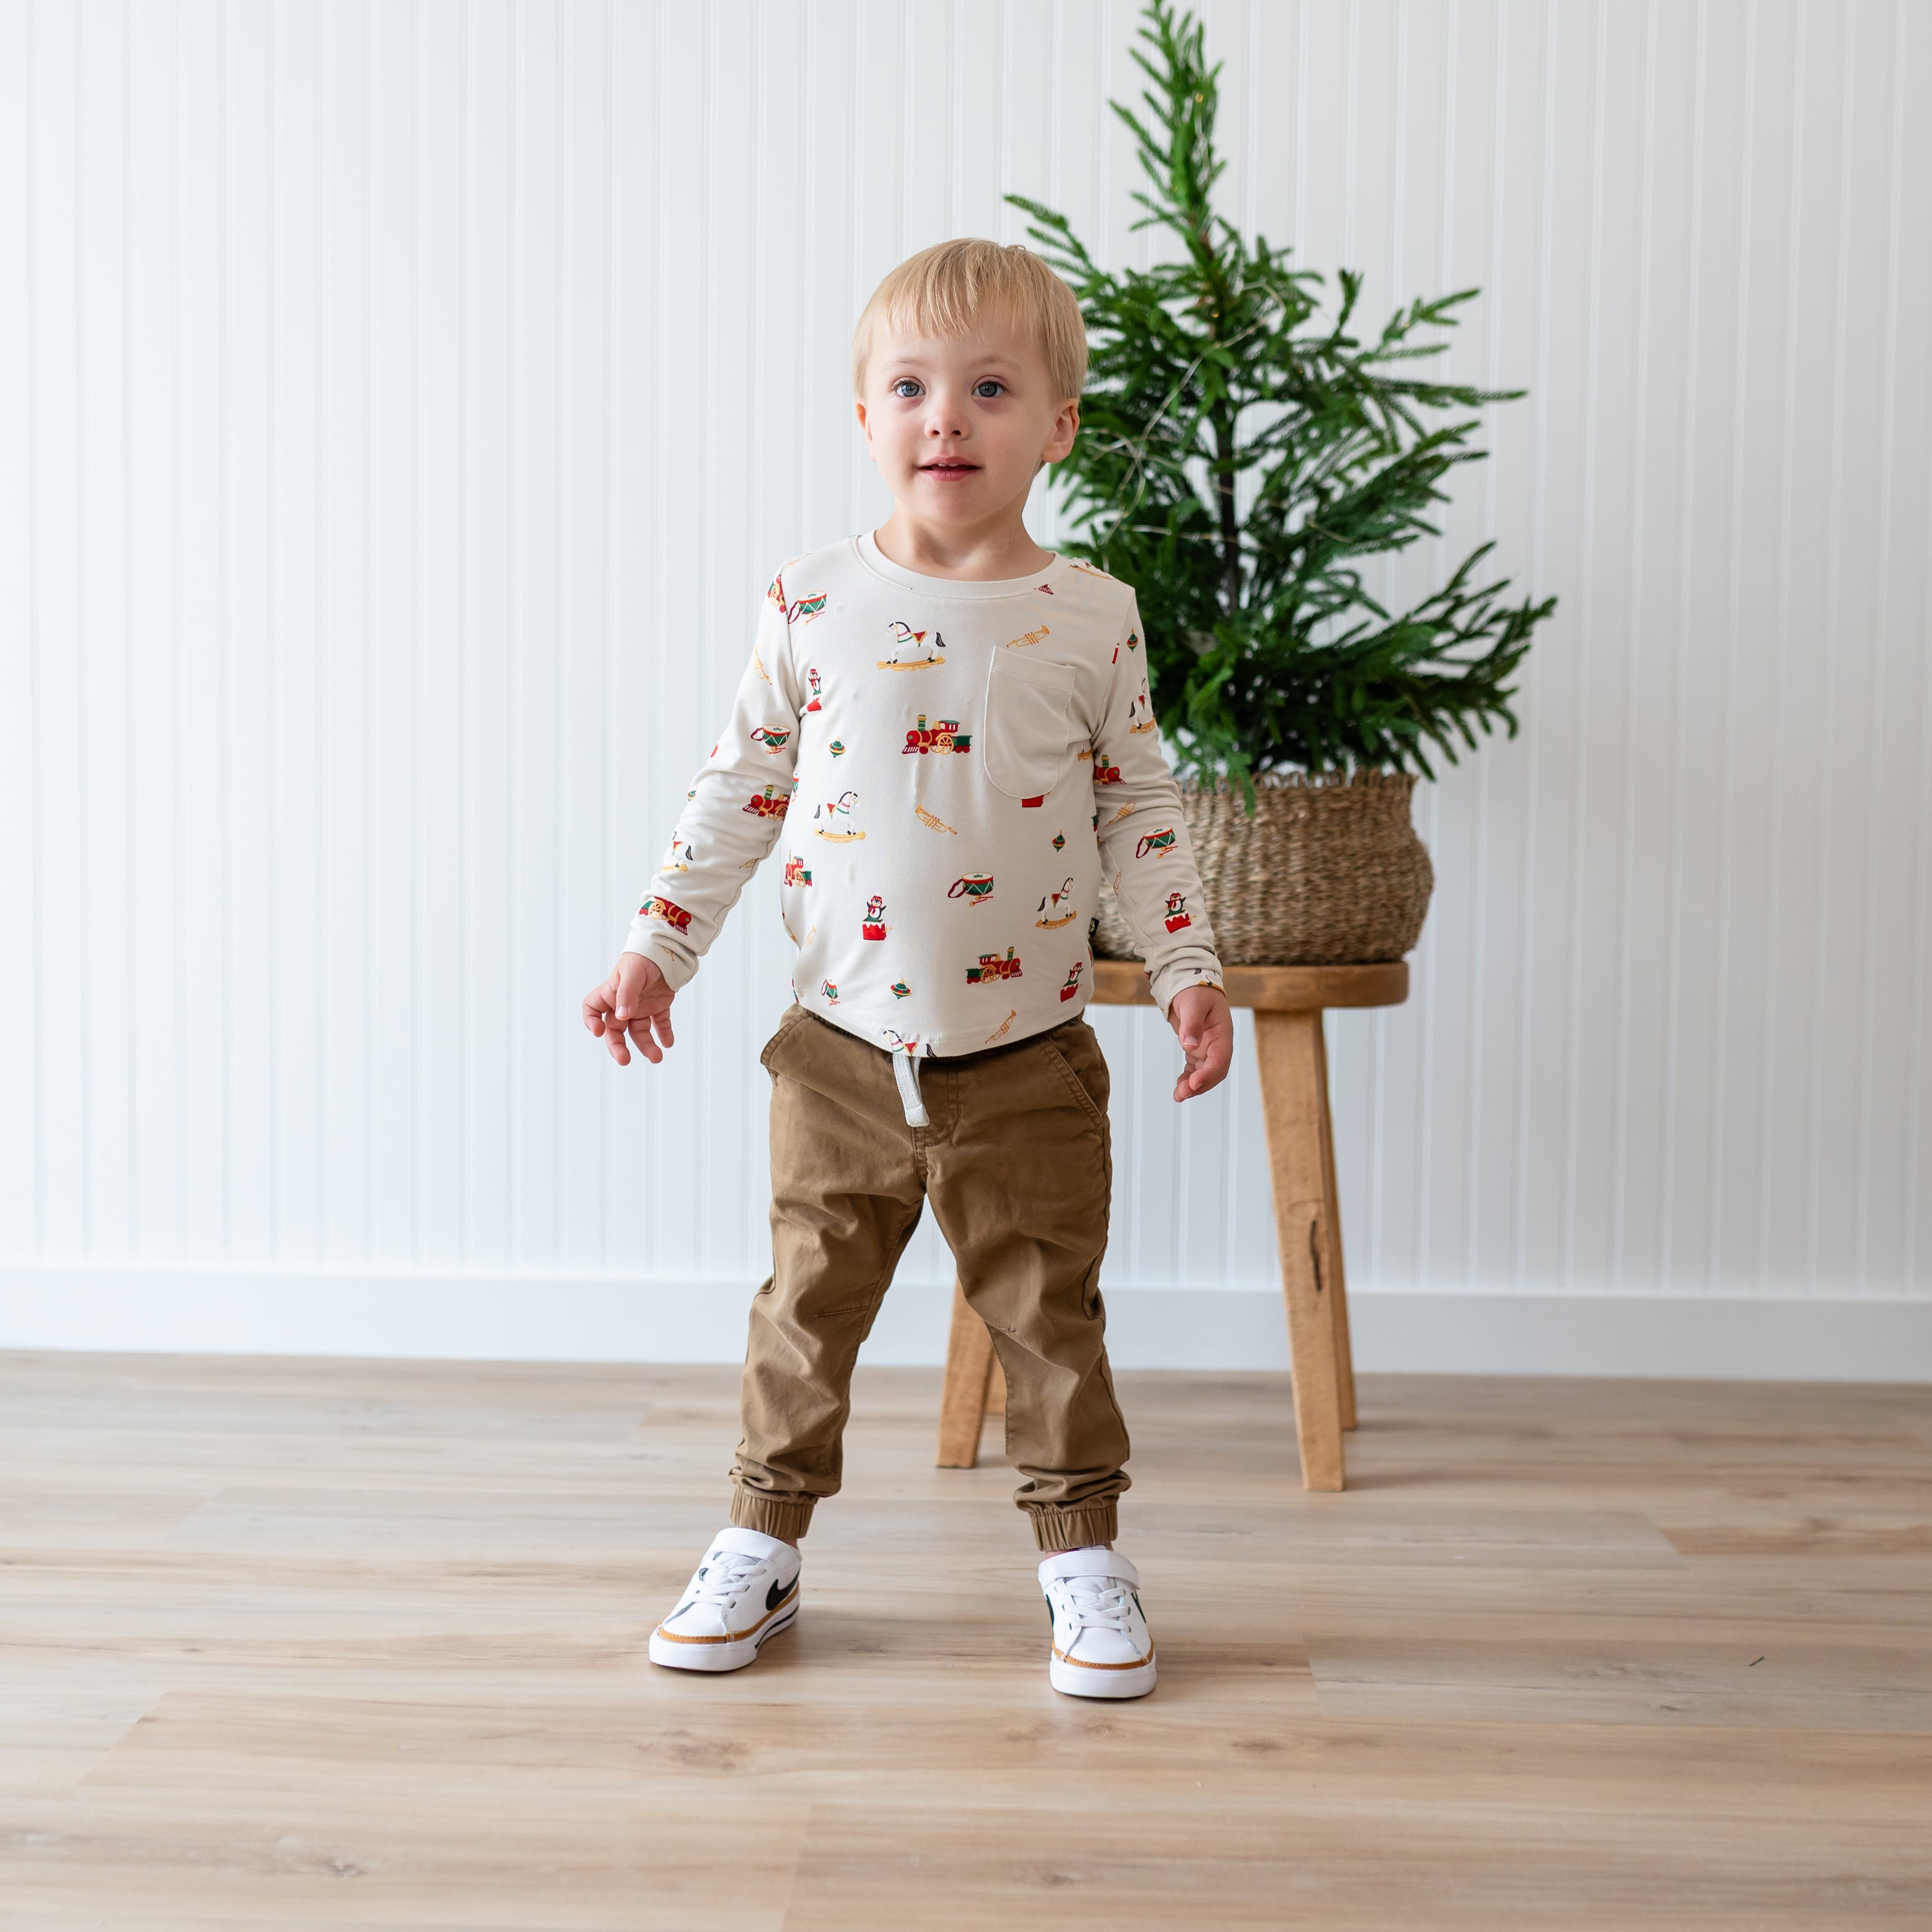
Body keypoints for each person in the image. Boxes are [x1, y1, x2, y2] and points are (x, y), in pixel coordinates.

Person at [581, 239, 1233, 1700]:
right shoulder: (813, 601)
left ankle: (1081, 1557)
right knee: (806, 1308)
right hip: (838, 1054)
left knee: (1049, 1317)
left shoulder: (1092, 614)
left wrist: (1187, 963)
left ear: (1057, 425)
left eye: (992, 388)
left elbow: (1140, 804)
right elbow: (740, 789)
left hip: (1028, 1055)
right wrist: (656, 949)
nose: (949, 417)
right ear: (865, 416)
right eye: (913, 387)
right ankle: (762, 1539)